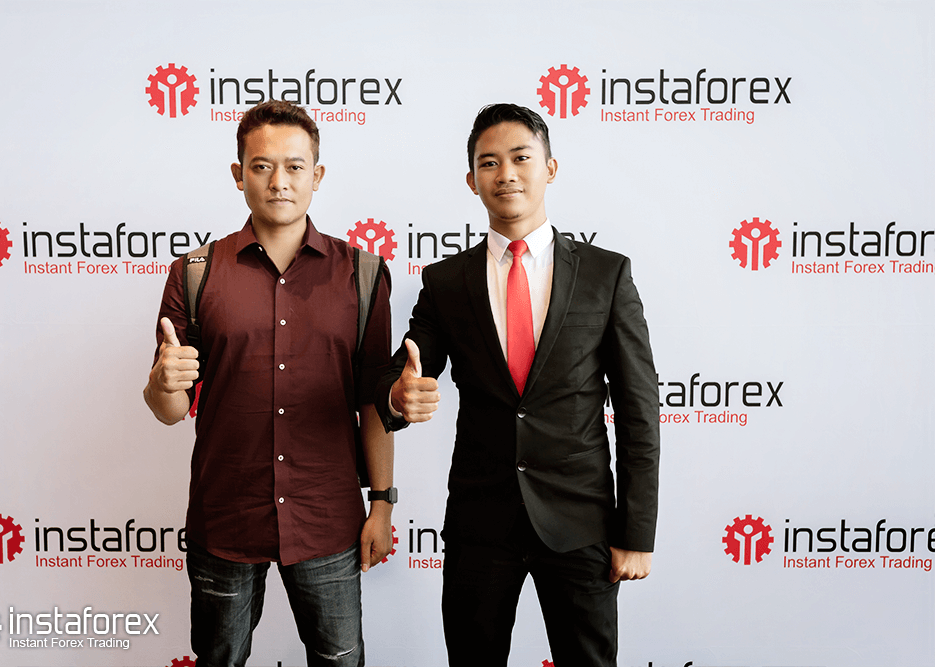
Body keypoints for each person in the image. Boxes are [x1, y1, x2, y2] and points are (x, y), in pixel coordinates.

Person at [376, 103, 659, 666]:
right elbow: (406, 367)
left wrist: (636, 533)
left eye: (521, 158)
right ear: (472, 180)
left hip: (581, 523)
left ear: (549, 168)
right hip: (480, 524)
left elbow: (639, 412)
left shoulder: (606, 274)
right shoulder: (446, 281)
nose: (505, 173)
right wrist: (397, 395)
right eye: (489, 163)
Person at [144, 99, 395, 667]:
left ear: (317, 175)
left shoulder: (362, 273)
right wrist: (163, 383)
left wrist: (381, 503)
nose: (279, 181)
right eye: (261, 166)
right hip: (226, 516)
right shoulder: (195, 272)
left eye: (295, 166)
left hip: (326, 517)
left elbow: (373, 404)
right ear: (239, 175)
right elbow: (169, 407)